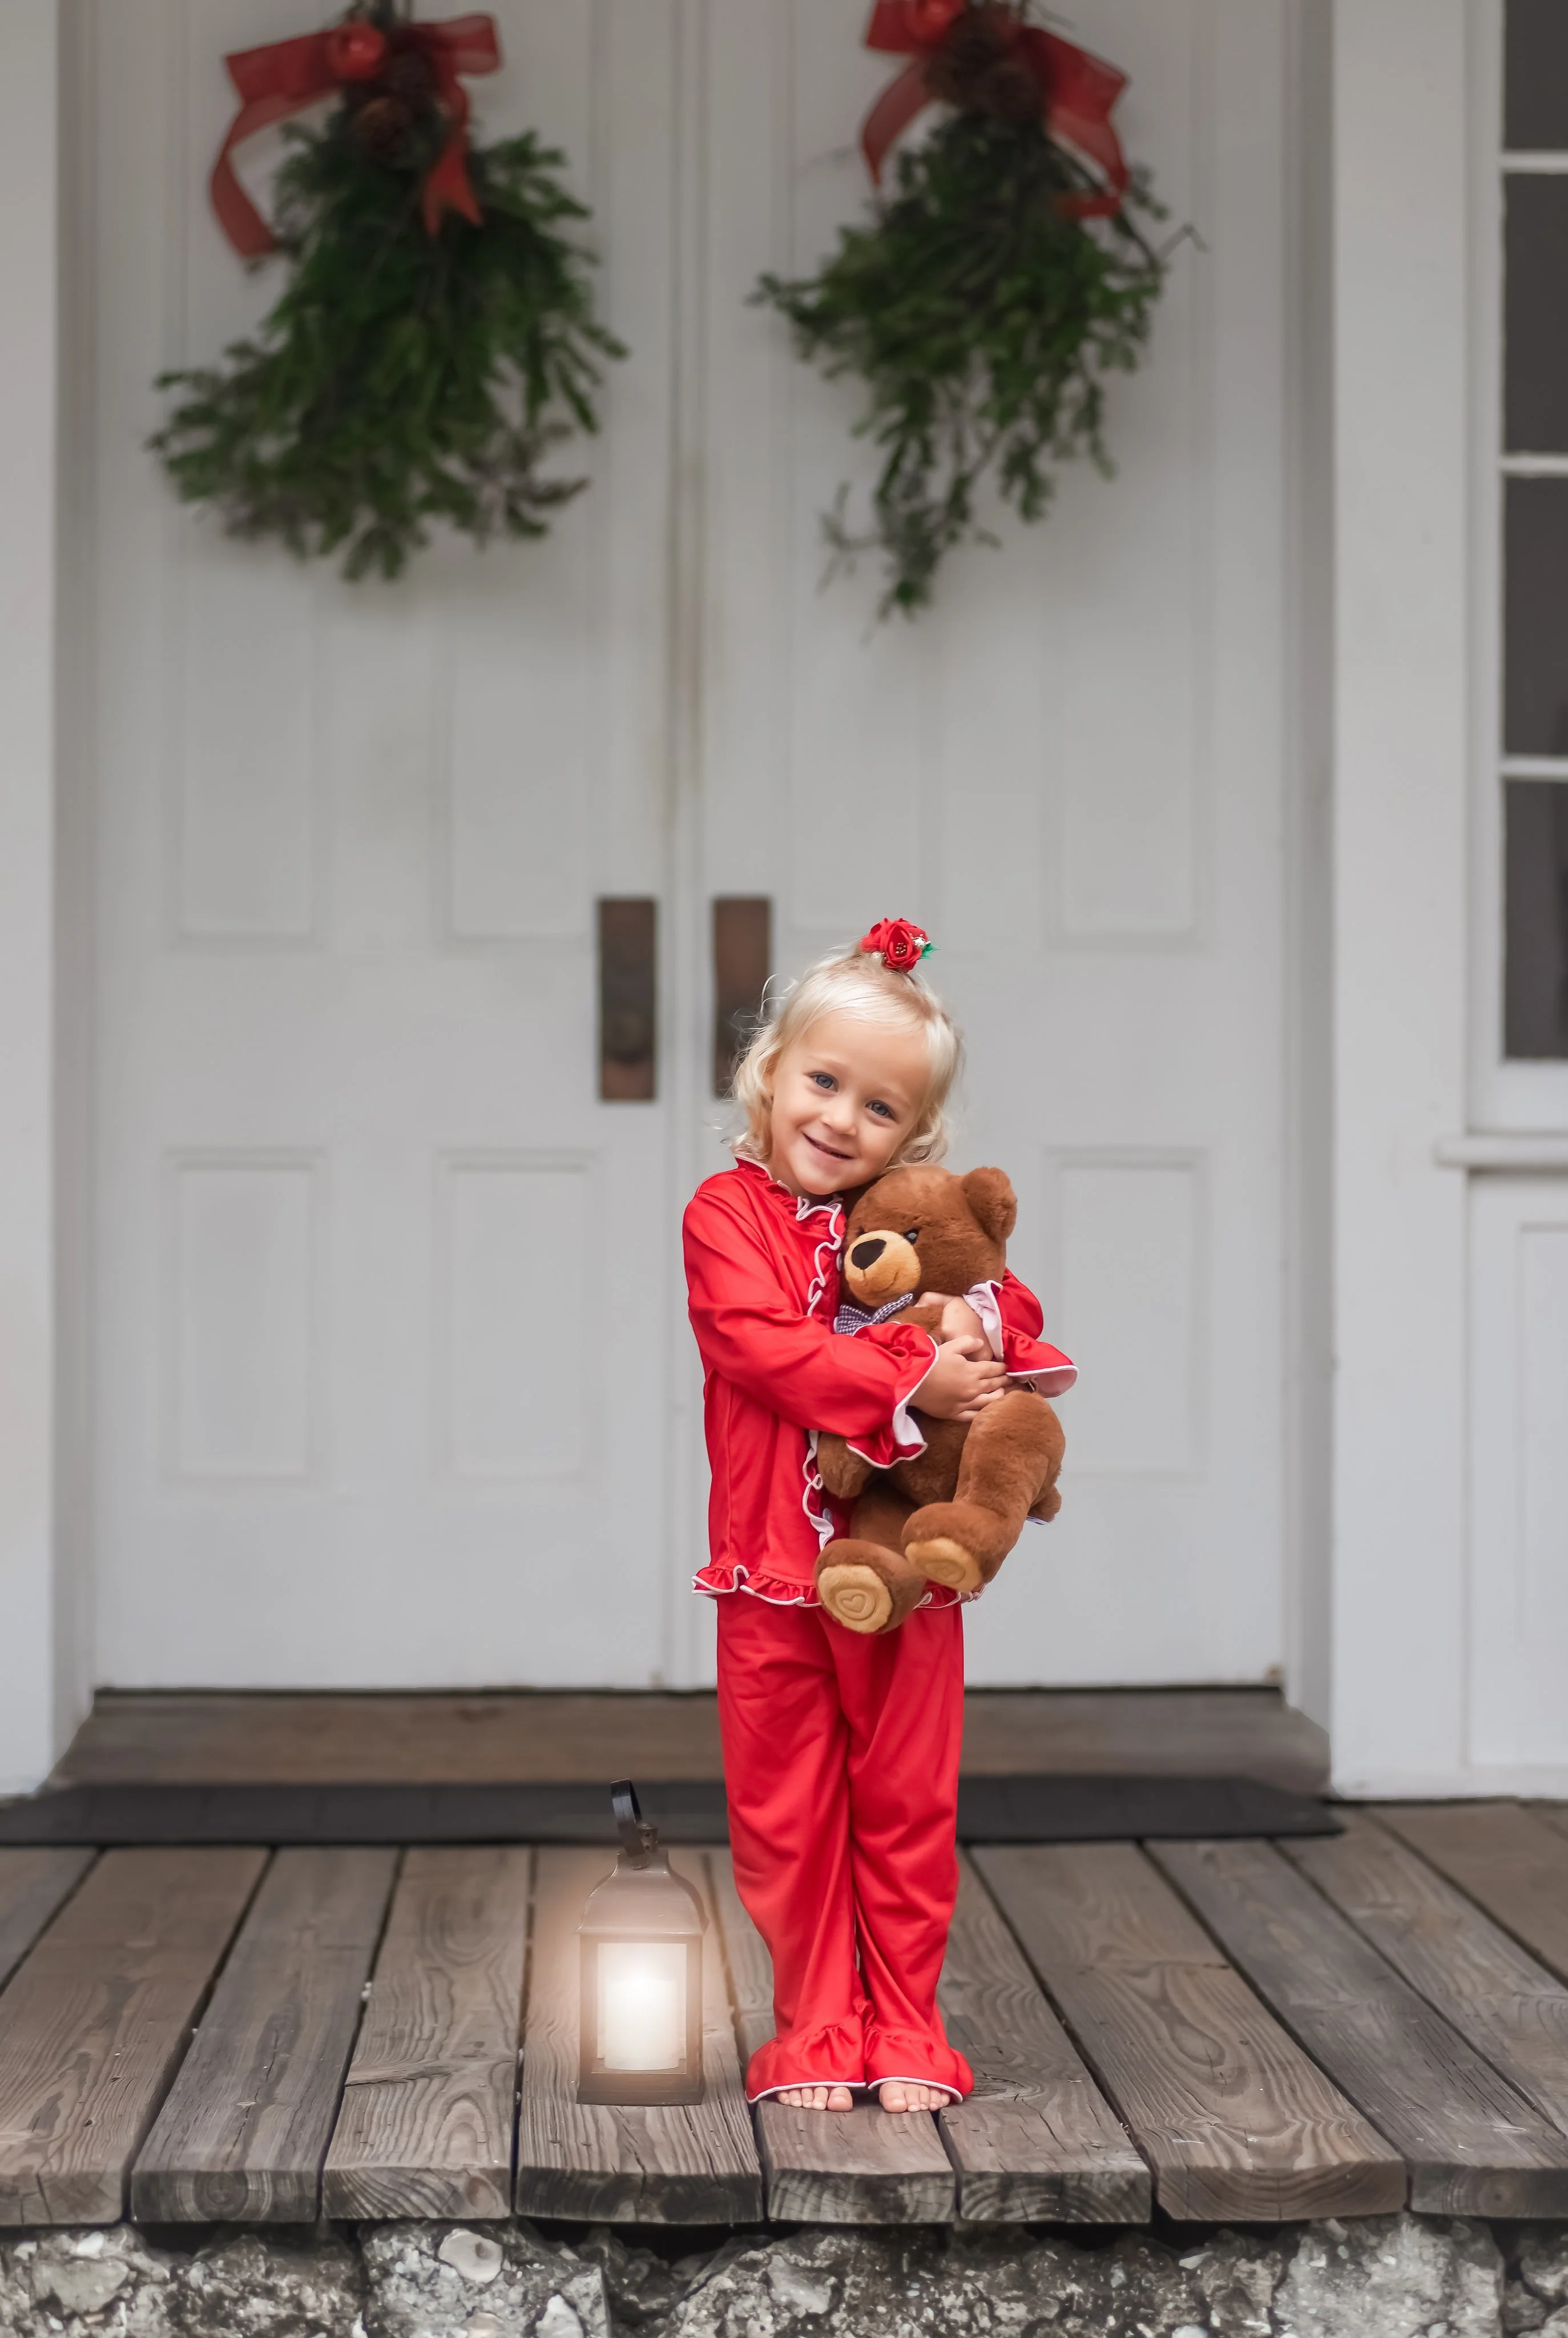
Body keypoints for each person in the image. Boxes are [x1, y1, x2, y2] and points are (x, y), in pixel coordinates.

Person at [682, 919, 1074, 2113]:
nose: (842, 1119)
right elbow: (758, 1344)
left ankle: (903, 2021)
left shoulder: (912, 1220)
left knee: (904, 1797)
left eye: (881, 1107)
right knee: (784, 1808)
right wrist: (912, 1374)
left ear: (916, 1134)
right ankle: (815, 2022)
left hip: (905, 1566)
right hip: (769, 1569)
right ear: (768, 1074)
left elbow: (1006, 1307)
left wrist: (975, 1334)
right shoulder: (725, 1215)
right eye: (822, 1082)